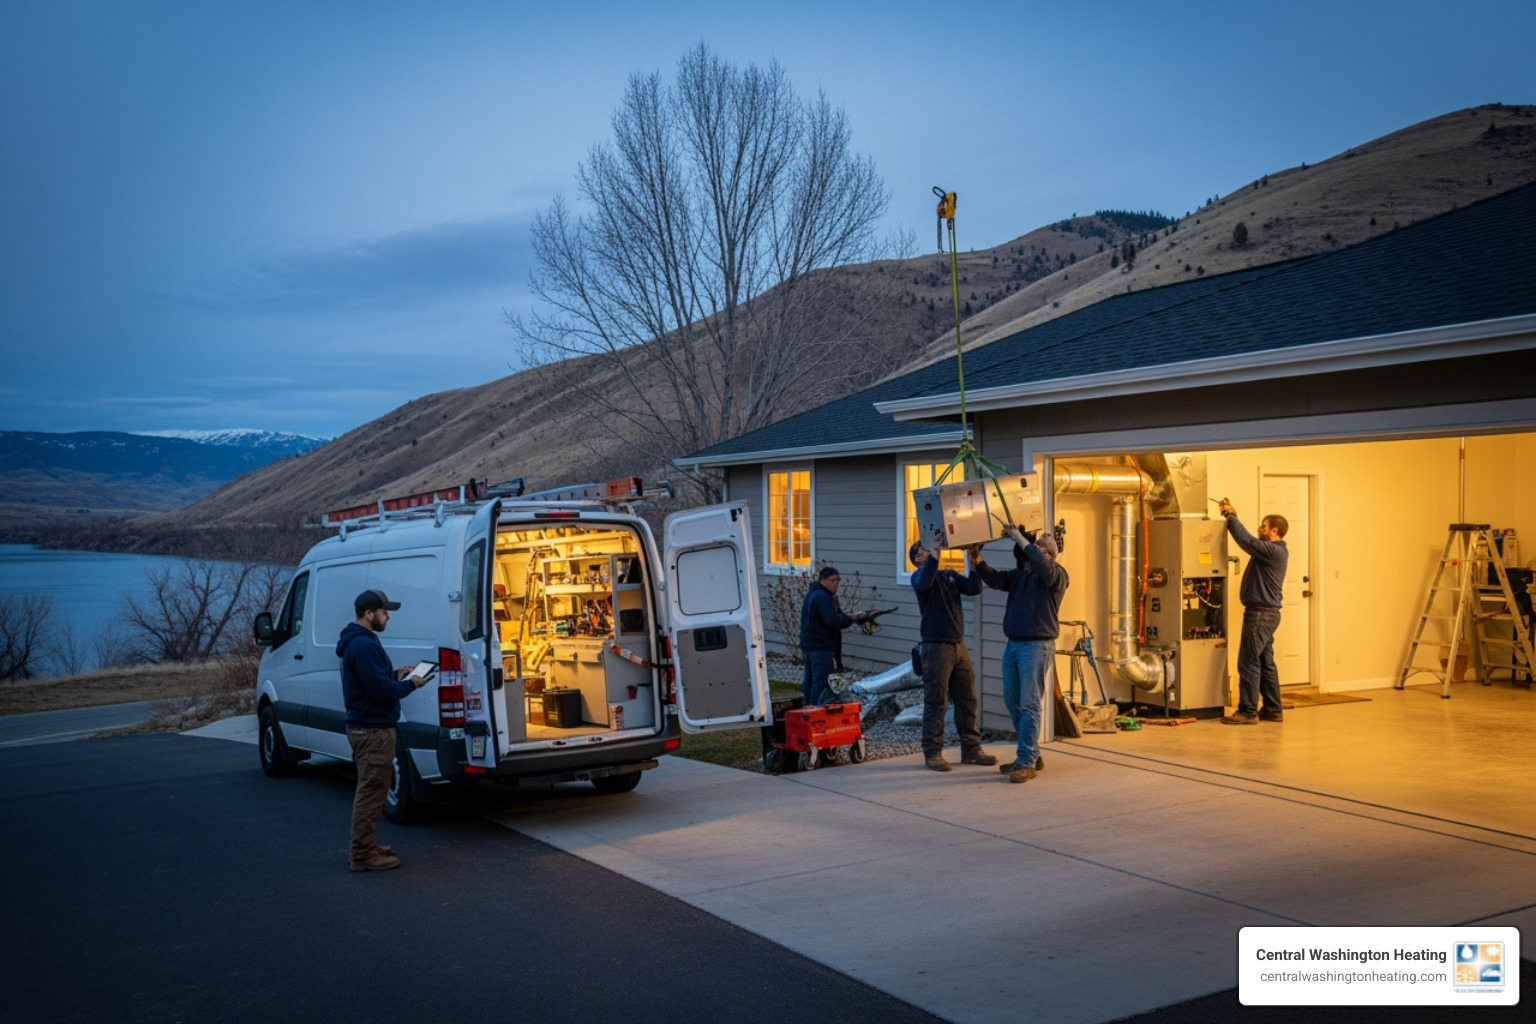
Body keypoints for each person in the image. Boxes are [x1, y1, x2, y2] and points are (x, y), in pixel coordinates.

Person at [337, 589, 429, 872]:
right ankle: (362, 854)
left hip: (369, 727)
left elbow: (373, 682)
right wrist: (410, 684)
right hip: (373, 730)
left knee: (372, 791)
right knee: (371, 792)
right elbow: (378, 691)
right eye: (384, 611)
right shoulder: (363, 646)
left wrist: (394, 675)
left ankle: (367, 845)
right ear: (369, 614)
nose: (388, 615)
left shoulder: (360, 642)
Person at [973, 525, 1069, 784]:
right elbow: (995, 579)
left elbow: (1041, 564)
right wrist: (976, 559)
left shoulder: (1056, 575)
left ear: (1049, 555)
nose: (1033, 549)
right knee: (1012, 700)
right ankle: (1032, 755)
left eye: (1039, 547)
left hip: (1037, 646)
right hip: (1014, 645)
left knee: (1029, 703)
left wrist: (1017, 536)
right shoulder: (1021, 576)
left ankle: (1026, 761)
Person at [909, 529, 996, 772]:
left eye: (931, 550)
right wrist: (936, 552)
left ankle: (971, 749)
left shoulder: (948, 576)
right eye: (924, 551)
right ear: (917, 559)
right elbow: (926, 578)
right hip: (935, 647)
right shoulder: (918, 579)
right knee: (936, 702)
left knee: (967, 699)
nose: (929, 552)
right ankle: (933, 753)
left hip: (958, 645)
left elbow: (973, 588)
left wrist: (973, 557)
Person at [1217, 500, 1290, 725]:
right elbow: (1250, 539)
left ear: (1275, 531)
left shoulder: (1274, 551)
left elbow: (1245, 540)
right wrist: (1234, 515)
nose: (1261, 529)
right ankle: (1272, 709)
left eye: (1264, 526)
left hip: (1260, 615)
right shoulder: (1271, 551)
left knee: (1248, 660)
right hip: (1266, 614)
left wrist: (1230, 517)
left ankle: (1248, 711)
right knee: (1265, 660)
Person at [799, 567, 868, 705]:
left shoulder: (813, 594)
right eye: (832, 580)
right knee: (821, 681)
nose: (836, 583)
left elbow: (826, 617)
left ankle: (806, 707)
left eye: (838, 580)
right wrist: (851, 619)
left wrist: (845, 615)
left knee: (810, 679)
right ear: (823, 580)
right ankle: (815, 711)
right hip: (820, 646)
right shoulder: (822, 597)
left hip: (808, 644)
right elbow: (832, 621)